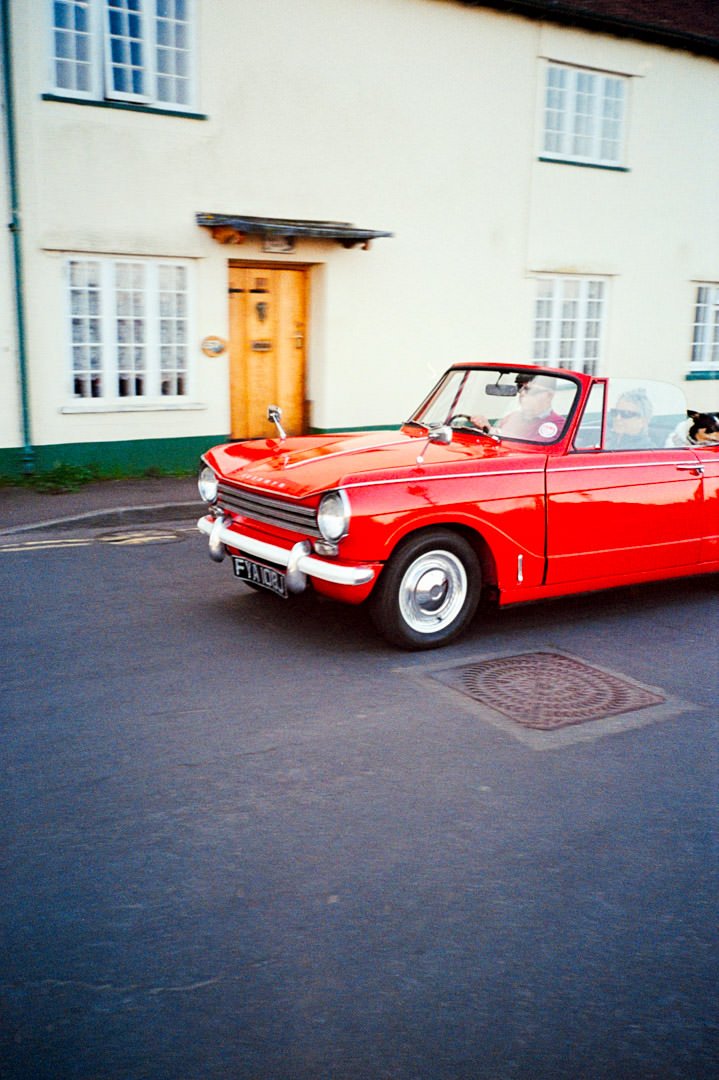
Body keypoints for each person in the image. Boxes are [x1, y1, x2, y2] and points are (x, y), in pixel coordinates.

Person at [473, 375, 565, 442]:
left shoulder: (558, 424)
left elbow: (533, 450)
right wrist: (485, 429)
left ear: (548, 395)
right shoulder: (512, 417)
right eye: (519, 388)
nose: (522, 393)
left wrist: (491, 430)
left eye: (529, 389)